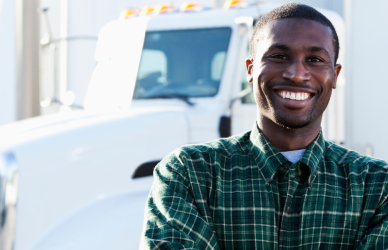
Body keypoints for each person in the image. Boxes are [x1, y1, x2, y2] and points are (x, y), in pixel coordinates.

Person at [140, 3, 388, 249]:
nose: (296, 74)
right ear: (250, 69)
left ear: (334, 75)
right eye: (279, 56)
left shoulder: (377, 186)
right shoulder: (190, 173)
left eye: (314, 59)